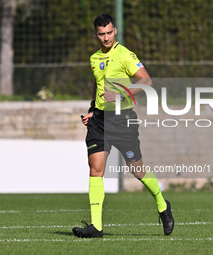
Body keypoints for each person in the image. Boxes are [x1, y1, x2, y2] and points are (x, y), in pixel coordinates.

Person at [72, 14, 174, 238]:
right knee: (95, 169)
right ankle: (96, 227)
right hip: (99, 120)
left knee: (137, 170)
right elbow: (98, 86)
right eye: (101, 34)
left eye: (109, 32)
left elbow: (147, 81)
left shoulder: (125, 55)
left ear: (115, 31)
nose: (106, 37)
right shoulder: (94, 58)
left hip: (122, 120)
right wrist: (92, 108)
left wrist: (120, 92)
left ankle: (162, 205)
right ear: (96, 34)